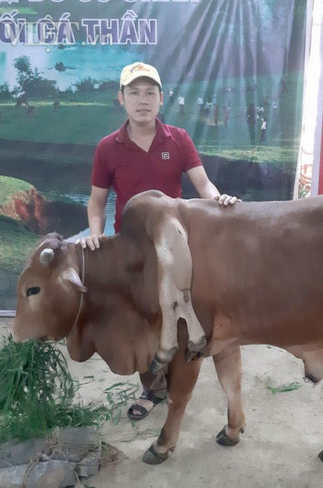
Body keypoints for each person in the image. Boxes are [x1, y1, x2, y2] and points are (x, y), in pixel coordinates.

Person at [78, 62, 239, 421]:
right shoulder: (108, 148)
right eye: (134, 92)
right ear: (121, 99)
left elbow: (203, 185)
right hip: (131, 252)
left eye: (150, 92)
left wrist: (219, 201)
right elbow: (96, 202)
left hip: (178, 249)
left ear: (161, 98)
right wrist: (94, 234)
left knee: (186, 316)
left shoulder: (178, 139)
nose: (142, 100)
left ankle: (183, 382)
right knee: (141, 322)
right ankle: (153, 388)